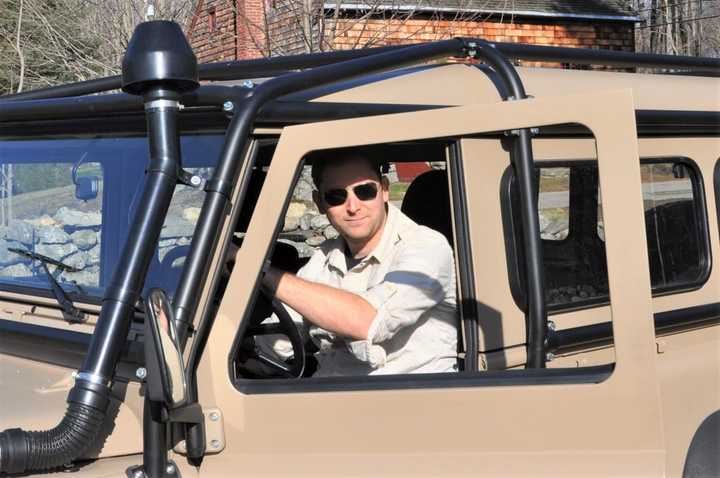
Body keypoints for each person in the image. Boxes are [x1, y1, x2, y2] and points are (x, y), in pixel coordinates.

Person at [261, 150, 457, 376]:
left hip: (406, 401)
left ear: (384, 190)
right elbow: (279, 338)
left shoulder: (425, 247)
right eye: (336, 196)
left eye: (365, 191)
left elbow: (367, 321)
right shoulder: (323, 258)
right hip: (331, 397)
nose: (353, 207)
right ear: (319, 203)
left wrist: (264, 273)